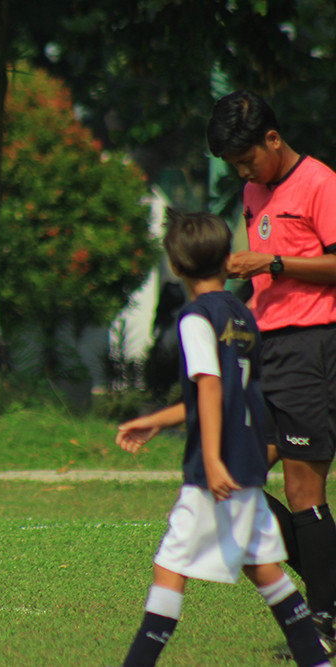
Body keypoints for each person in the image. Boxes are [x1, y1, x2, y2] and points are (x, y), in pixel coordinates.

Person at [114, 210, 329, 667]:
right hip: (249, 459)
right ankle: (318, 661)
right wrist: (161, 419)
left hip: (218, 468)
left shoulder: (195, 318)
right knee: (265, 569)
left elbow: (209, 386)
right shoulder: (243, 314)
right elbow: (230, 387)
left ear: (175, 265)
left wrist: (210, 459)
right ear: (228, 260)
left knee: (168, 569)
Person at [207, 90, 336, 644]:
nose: (243, 171)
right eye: (234, 166)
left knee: (304, 489)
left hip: (311, 348)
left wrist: (276, 263)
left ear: (273, 139)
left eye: (246, 159)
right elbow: (266, 270)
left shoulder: (321, 184)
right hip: (264, 351)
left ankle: (324, 618)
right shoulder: (252, 192)